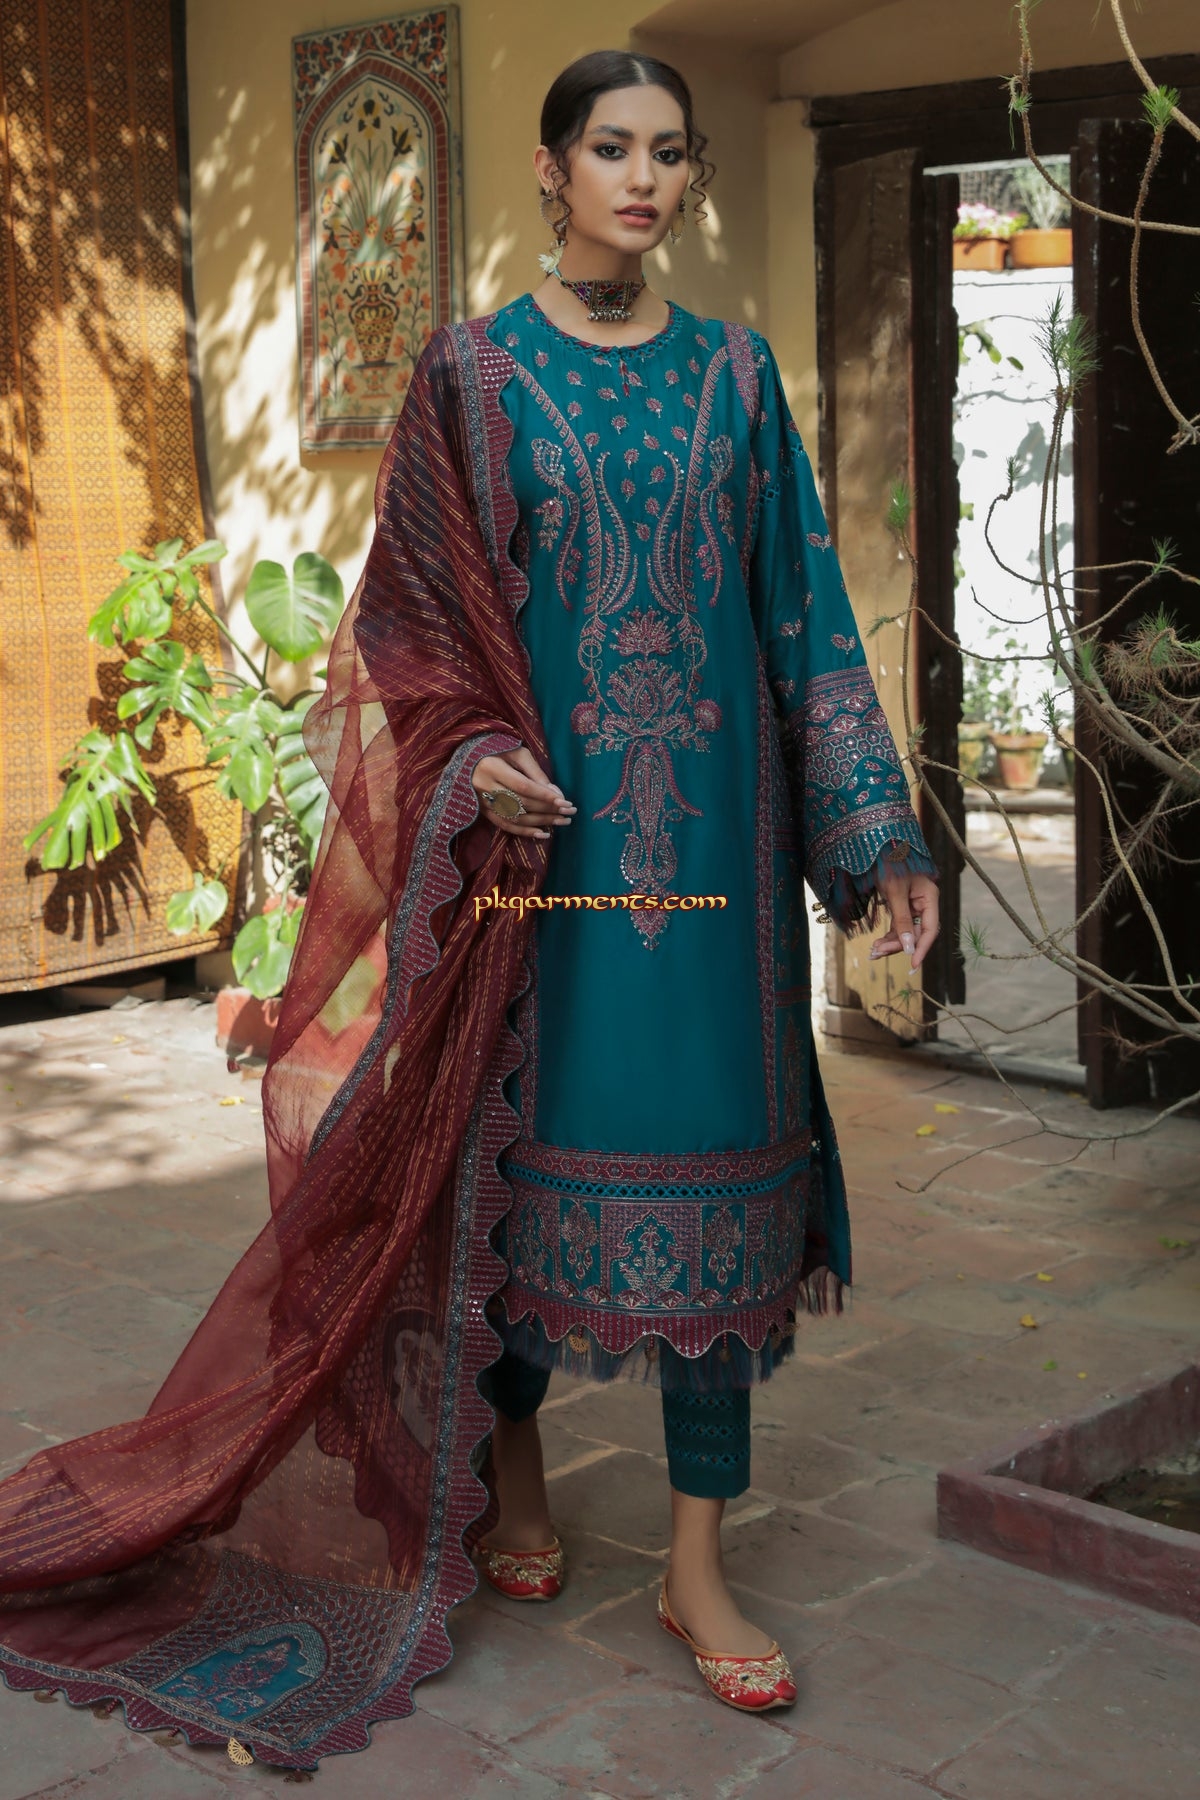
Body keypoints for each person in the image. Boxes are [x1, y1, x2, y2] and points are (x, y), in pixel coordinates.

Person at [0, 48, 937, 1772]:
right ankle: (513, 1472)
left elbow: (803, 618)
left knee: (725, 1186)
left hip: (714, 888)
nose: (644, 178)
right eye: (612, 148)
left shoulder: (738, 379)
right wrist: (481, 754)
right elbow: (411, 629)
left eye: (670, 152)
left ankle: (698, 1567)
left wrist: (881, 839)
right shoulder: (471, 376)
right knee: (501, 1166)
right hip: (535, 879)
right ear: (552, 168)